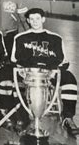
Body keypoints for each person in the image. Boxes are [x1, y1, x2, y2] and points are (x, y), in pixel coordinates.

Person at [11, 8, 78, 136]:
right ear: (28, 21)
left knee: (69, 79)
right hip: (29, 73)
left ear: (43, 19)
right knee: (16, 82)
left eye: (37, 18)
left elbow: (63, 61)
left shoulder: (55, 38)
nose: (35, 21)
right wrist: (23, 71)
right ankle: (22, 117)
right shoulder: (20, 38)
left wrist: (53, 71)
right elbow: (14, 60)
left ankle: (68, 118)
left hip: (49, 73)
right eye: (31, 19)